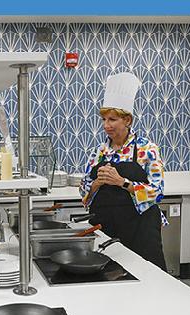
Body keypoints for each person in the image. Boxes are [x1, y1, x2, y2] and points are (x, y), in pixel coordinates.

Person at [79, 72, 167, 271]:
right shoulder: (100, 151)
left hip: (140, 229)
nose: (106, 125)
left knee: (147, 279)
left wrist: (122, 182)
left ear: (127, 120)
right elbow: (84, 189)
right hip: (107, 228)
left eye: (112, 120)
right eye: (103, 119)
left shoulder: (147, 149)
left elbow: (157, 191)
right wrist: (96, 184)